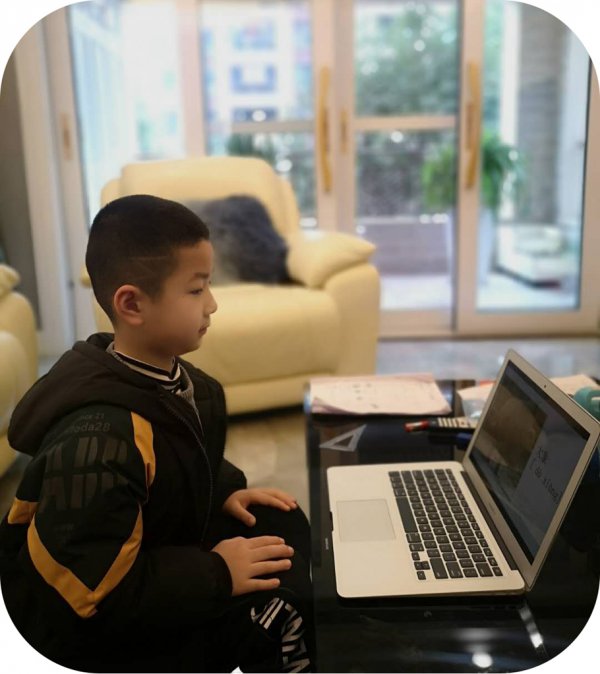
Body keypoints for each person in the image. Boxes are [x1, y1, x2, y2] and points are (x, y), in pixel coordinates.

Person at [0, 195, 313, 673]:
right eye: (196, 289)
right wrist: (217, 573)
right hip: (87, 623)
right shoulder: (99, 441)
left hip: (153, 556)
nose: (212, 303)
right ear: (132, 304)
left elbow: (185, 459)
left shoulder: (183, 385)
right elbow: (95, 590)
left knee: (280, 524)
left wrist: (223, 495)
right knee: (277, 607)